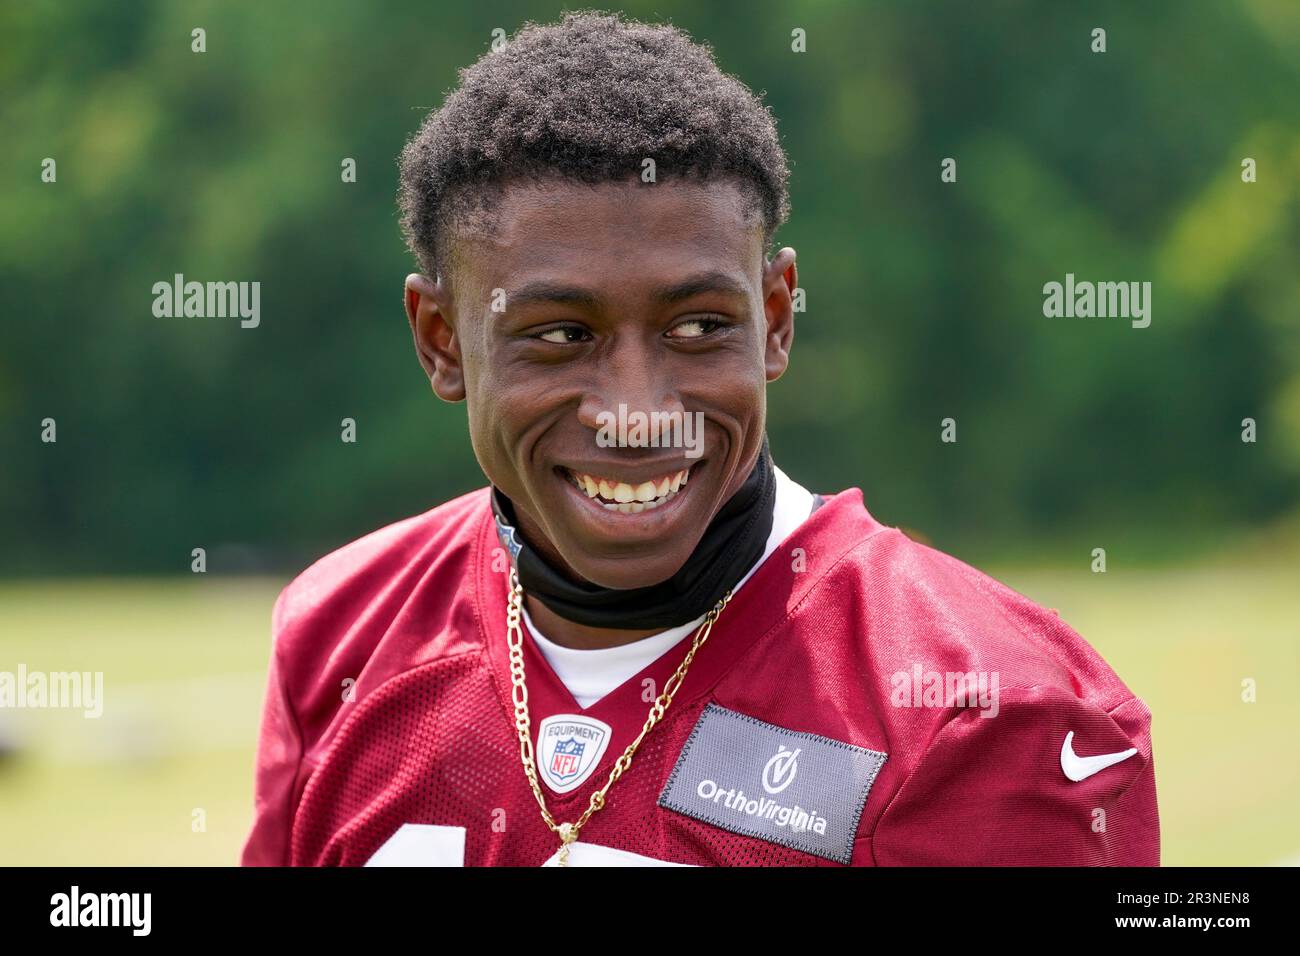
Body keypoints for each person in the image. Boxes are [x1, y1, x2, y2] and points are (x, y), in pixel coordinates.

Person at [241, 11, 1158, 867]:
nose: (636, 410)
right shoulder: (341, 638)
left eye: (697, 328)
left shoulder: (987, 708)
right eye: (561, 336)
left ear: (775, 317)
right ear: (443, 341)